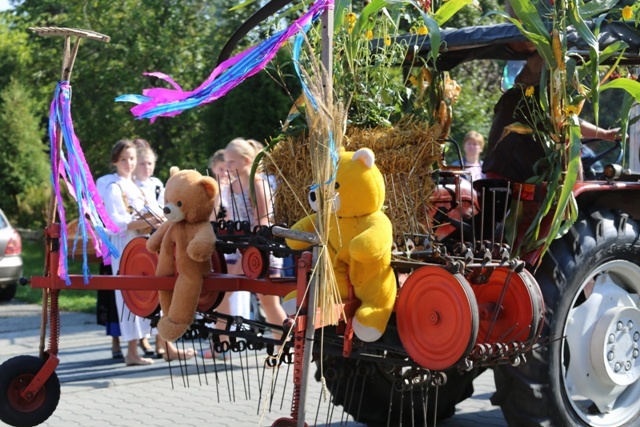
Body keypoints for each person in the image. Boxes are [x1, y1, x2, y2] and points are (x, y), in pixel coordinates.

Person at [203, 138, 286, 359]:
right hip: (240, 249)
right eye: (227, 162)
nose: (227, 166)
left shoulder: (257, 183)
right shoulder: (231, 186)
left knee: (268, 301)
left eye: (231, 161)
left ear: (246, 160)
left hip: (260, 249)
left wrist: (252, 251)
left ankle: (283, 348)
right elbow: (231, 218)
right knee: (221, 294)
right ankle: (222, 344)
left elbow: (264, 220)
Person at [482, 51, 621, 182]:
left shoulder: (510, 96)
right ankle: (573, 203)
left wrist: (605, 134)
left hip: (495, 174)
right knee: (570, 146)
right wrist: (605, 134)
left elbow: (567, 119)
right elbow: (569, 122)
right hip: (522, 179)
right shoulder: (540, 99)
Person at [98, 138, 164, 366]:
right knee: (128, 298)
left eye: (132, 158)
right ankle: (131, 352)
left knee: (142, 296)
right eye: (124, 159)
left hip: (141, 246)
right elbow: (115, 222)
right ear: (116, 161)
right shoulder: (113, 187)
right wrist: (143, 222)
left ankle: (138, 348)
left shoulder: (136, 186)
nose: (129, 163)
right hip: (124, 247)